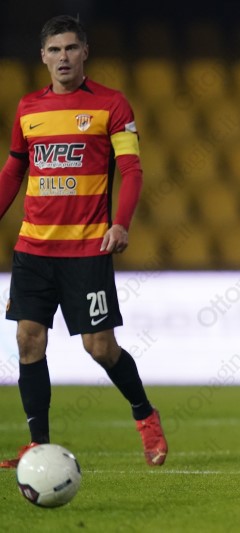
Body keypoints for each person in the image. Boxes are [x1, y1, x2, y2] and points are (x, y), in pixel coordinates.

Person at [0, 15, 167, 468]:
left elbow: (131, 169)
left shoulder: (111, 105)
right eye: (55, 50)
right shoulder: (28, 108)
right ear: (43, 56)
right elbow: (14, 169)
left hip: (87, 249)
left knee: (100, 347)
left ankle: (144, 414)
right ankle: (38, 446)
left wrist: (121, 223)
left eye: (71, 48)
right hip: (34, 248)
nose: (63, 58)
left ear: (85, 52)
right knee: (28, 340)